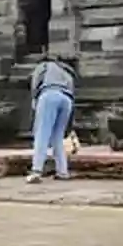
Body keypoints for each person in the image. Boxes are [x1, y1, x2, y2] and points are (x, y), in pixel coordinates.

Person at [26, 54, 76, 184]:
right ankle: (62, 171)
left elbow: (36, 82)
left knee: (42, 133)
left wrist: (34, 99)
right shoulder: (67, 72)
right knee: (57, 137)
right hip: (67, 100)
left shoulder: (44, 65)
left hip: (49, 94)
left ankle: (36, 170)